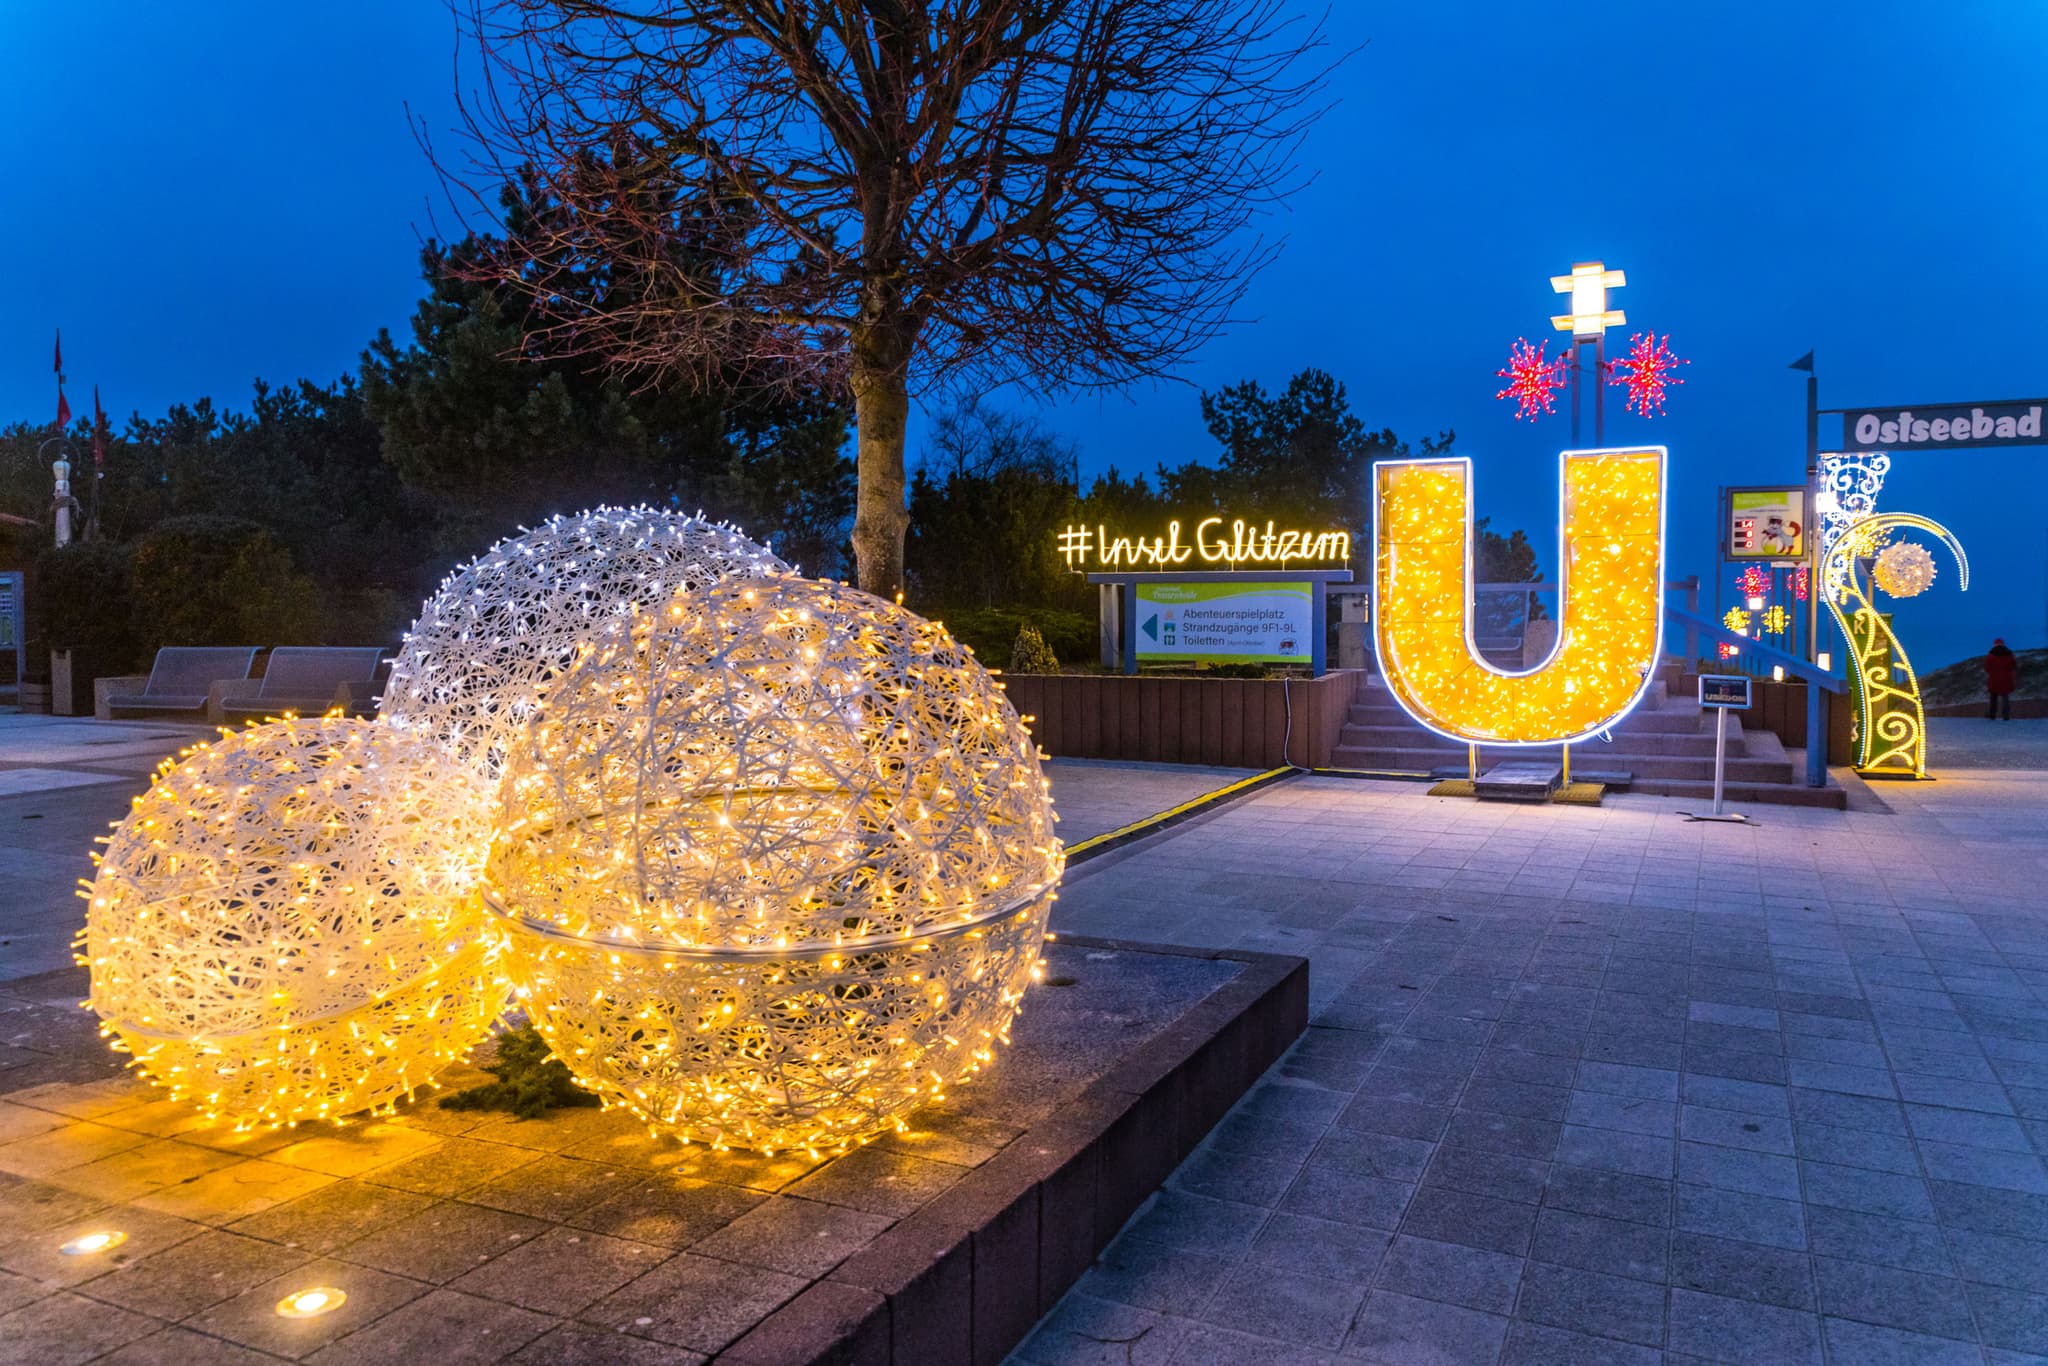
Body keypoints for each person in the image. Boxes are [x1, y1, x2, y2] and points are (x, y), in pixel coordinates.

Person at [1985, 638, 2018, 720]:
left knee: (1993, 698)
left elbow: (1987, 668)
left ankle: (1992, 715)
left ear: (1994, 644)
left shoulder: (1990, 655)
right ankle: (2006, 716)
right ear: (2003, 644)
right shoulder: (2009, 654)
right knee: (2005, 698)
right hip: (2006, 679)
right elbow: (2013, 666)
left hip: (1994, 679)